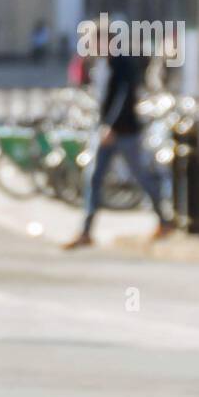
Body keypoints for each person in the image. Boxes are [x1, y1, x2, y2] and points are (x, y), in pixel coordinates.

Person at [63, 35, 172, 249]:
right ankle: (86, 230)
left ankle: (164, 219)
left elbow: (124, 96)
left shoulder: (122, 62)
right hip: (105, 130)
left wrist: (111, 125)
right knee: (94, 177)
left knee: (140, 174)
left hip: (124, 131)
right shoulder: (102, 63)